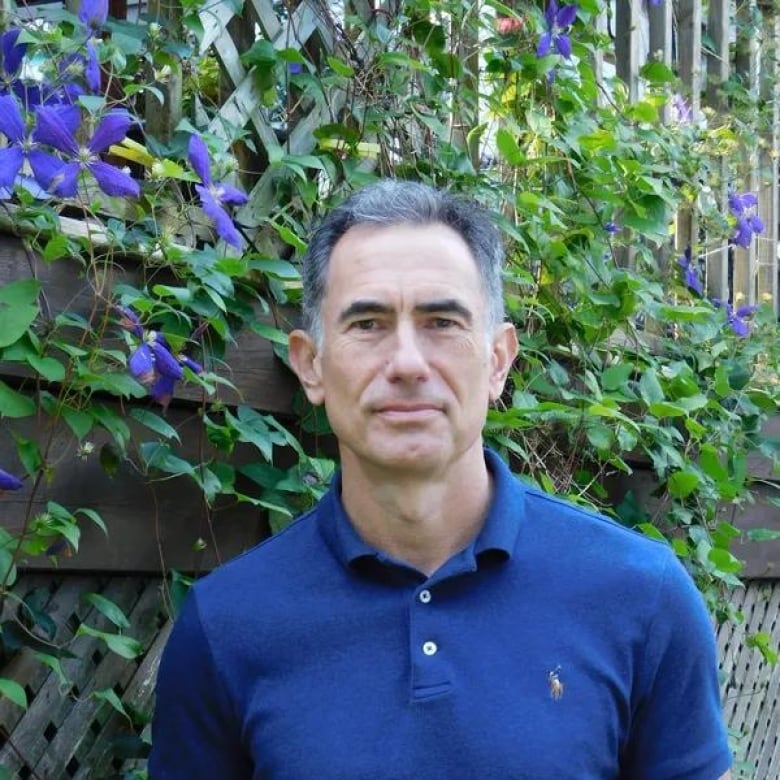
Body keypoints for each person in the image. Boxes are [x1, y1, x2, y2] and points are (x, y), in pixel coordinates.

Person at [149, 180, 732, 779]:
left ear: (498, 361)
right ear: (311, 366)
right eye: (368, 324)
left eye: (442, 322)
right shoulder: (226, 627)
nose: (406, 363)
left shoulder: (642, 598)